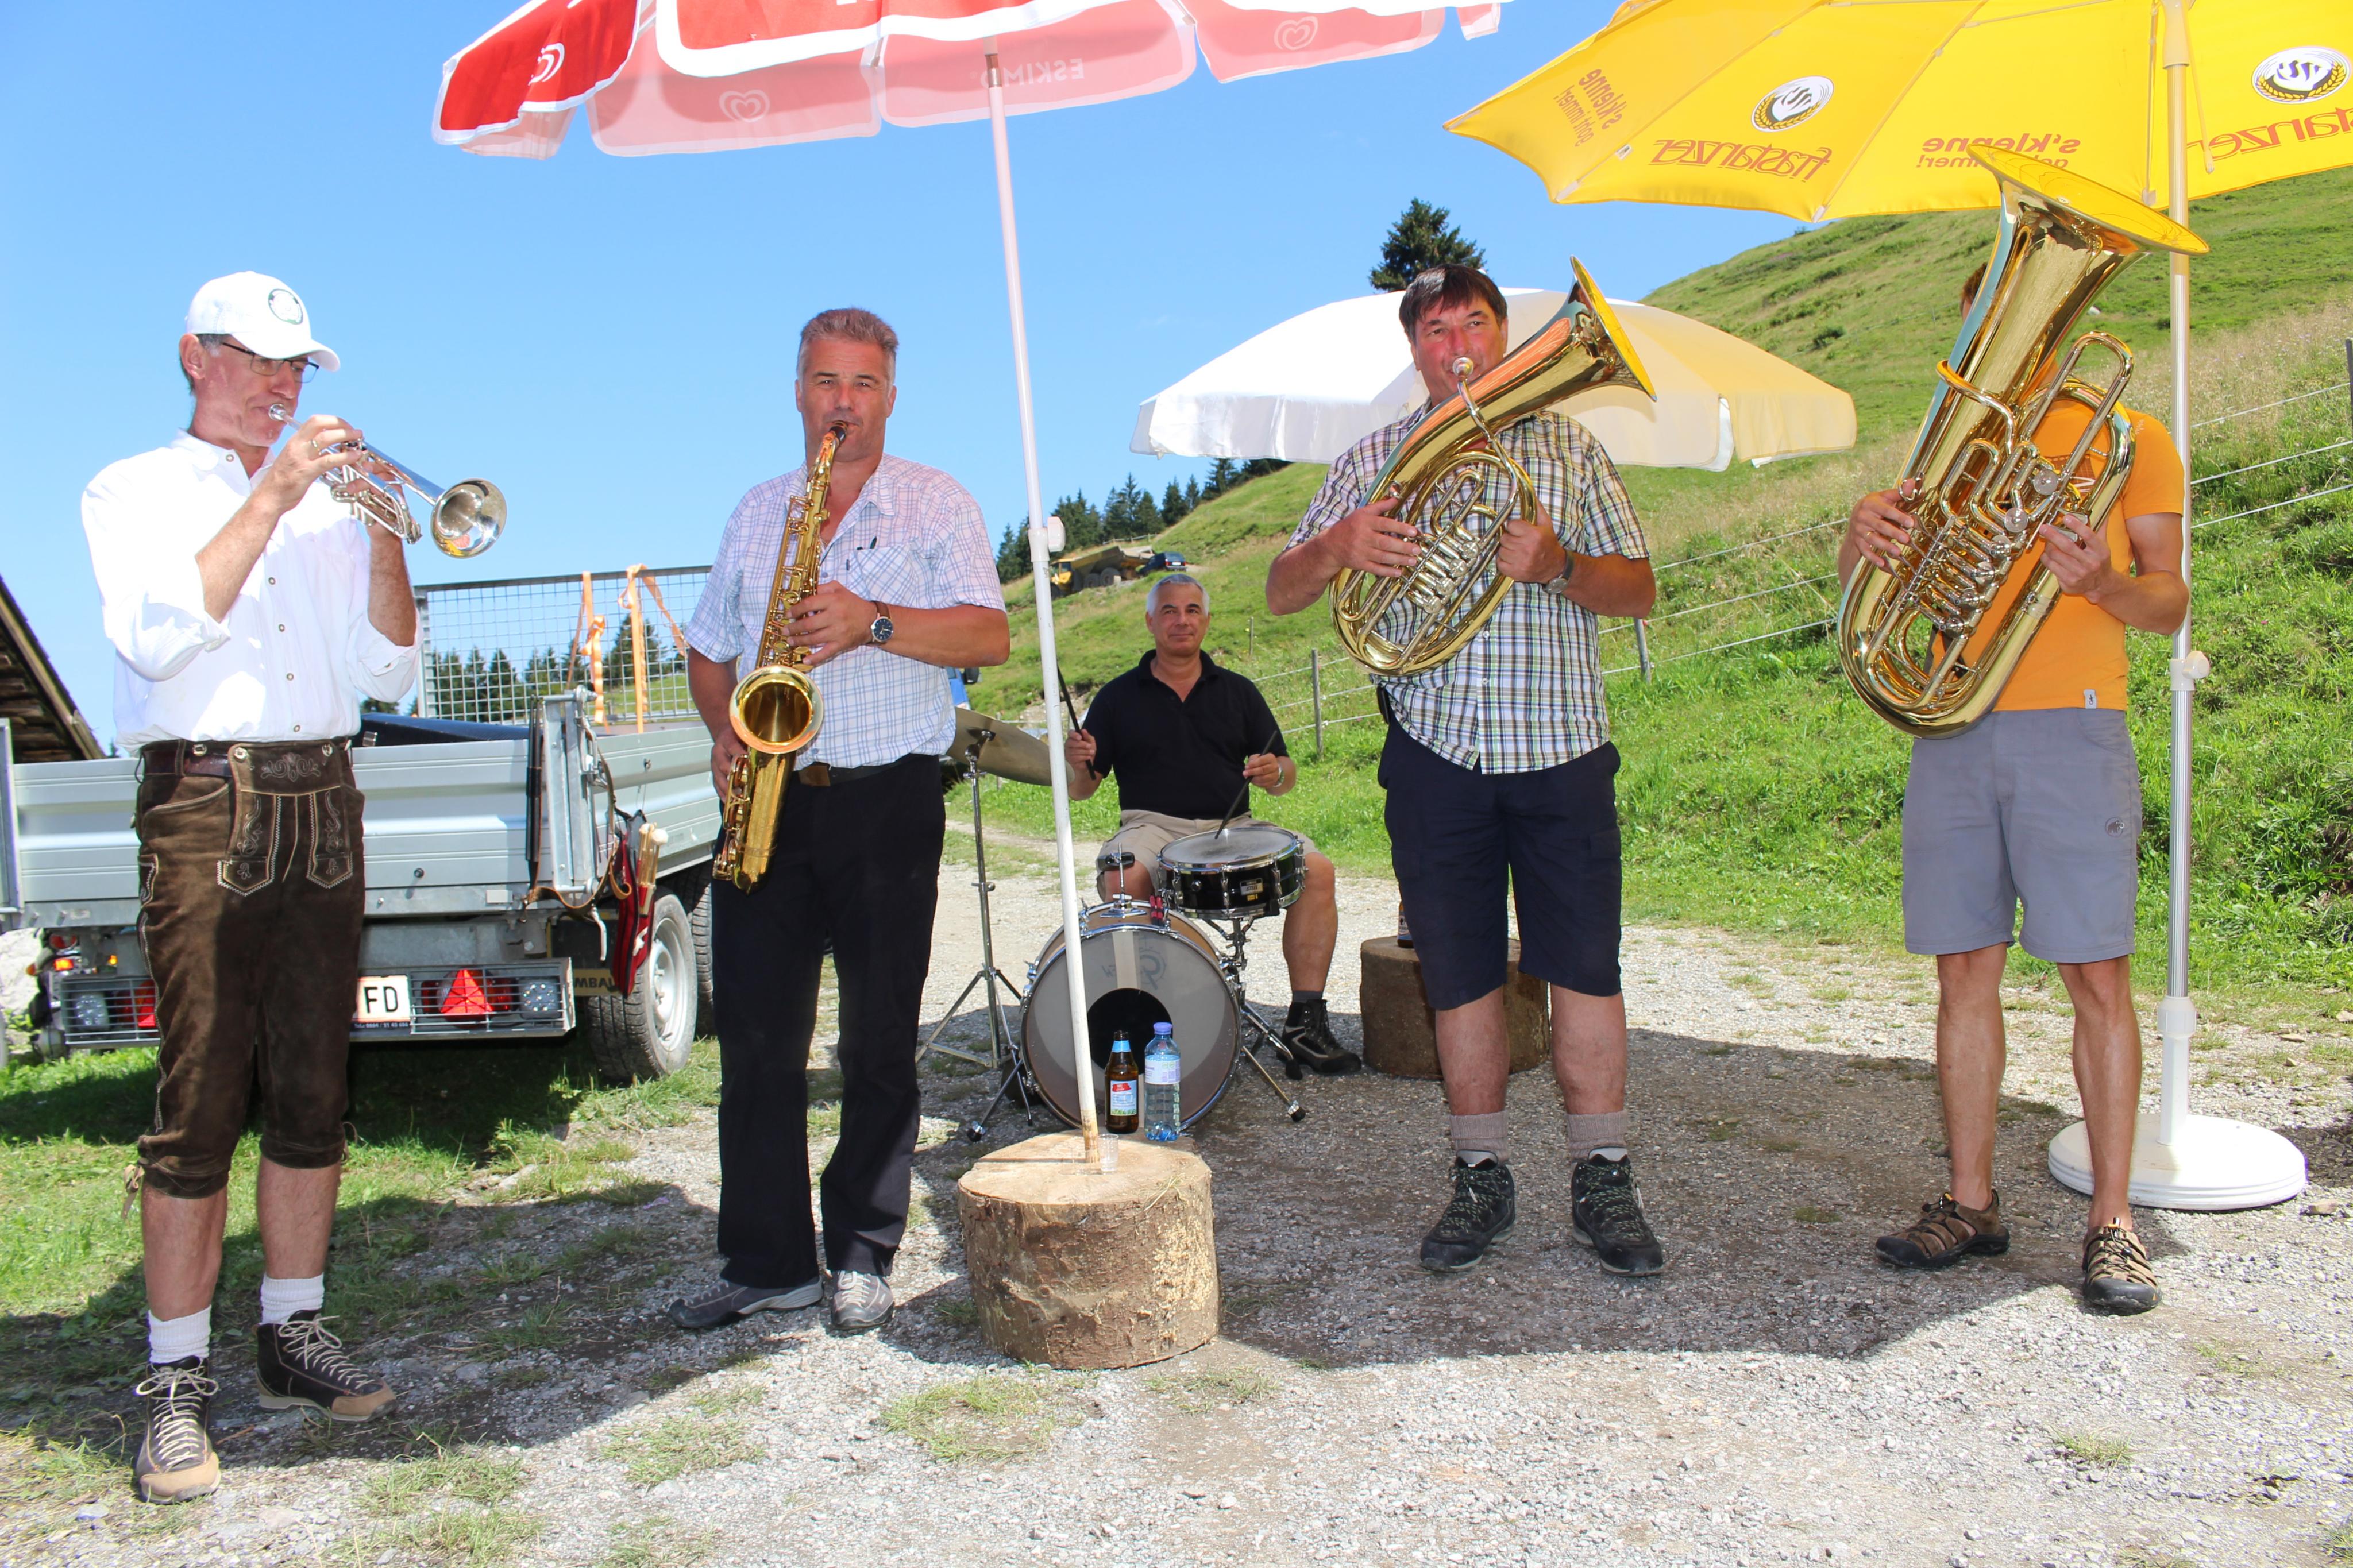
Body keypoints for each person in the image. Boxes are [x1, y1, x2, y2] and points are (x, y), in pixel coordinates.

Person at [82, 273, 414, 1504]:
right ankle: (174, 1379)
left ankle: (292, 1332)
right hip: (206, 798)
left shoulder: (331, 511)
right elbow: (157, 636)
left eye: (297, 366)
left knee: (316, 1086)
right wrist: (272, 493)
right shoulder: (132, 489)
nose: (283, 384)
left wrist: (385, 532)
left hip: (324, 789)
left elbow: (389, 667)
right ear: (195, 356)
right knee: (203, 1094)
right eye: (262, 360)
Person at [1264, 264, 1667, 1277]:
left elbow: (1639, 591)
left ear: (1503, 335)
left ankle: (1603, 1174)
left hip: (1562, 749)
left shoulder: (1568, 447)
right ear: (1415, 349)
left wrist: (1562, 567)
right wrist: (1338, 545)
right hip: (1437, 756)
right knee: (1460, 976)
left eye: (1474, 324)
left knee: (1587, 970)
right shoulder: (1373, 459)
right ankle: (1481, 1174)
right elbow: (1280, 590)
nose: (1458, 346)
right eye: (1436, 330)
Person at [1845, 264, 2186, 1315]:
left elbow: (2169, 603)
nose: (1991, 351)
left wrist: (2104, 584)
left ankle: (2113, 1223)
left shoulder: (2131, 438)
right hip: (1953, 722)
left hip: (2073, 726)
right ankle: (1971, 1202)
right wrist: (1862, 541)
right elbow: (1883, 593)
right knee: (1962, 971)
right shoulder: (1944, 454)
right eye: (1979, 331)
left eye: (2013, 323)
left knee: (2098, 978)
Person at [670, 308, 1009, 1335]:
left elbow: (989, 636)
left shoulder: (938, 502)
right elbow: (708, 648)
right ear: (798, 391)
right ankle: (767, 1260)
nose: (843, 402)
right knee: (756, 1043)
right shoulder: (756, 511)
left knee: (877, 1039)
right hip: (771, 797)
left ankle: (863, 1250)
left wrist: (874, 621)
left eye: (863, 384)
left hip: (886, 798)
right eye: (826, 382)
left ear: (890, 397)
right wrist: (725, 733)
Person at [1063, 572, 1356, 1073]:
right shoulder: (1116, 697)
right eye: (1170, 611)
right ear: (1150, 622)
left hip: (1233, 825)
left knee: (1318, 870)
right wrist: (1077, 764)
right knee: (1123, 878)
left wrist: (1274, 772)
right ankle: (1148, 1021)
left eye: (1192, 610)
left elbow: (1285, 775)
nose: (1182, 620)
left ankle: (1305, 1023)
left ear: (1207, 620)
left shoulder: (1238, 691)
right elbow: (1083, 788)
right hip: (1152, 825)